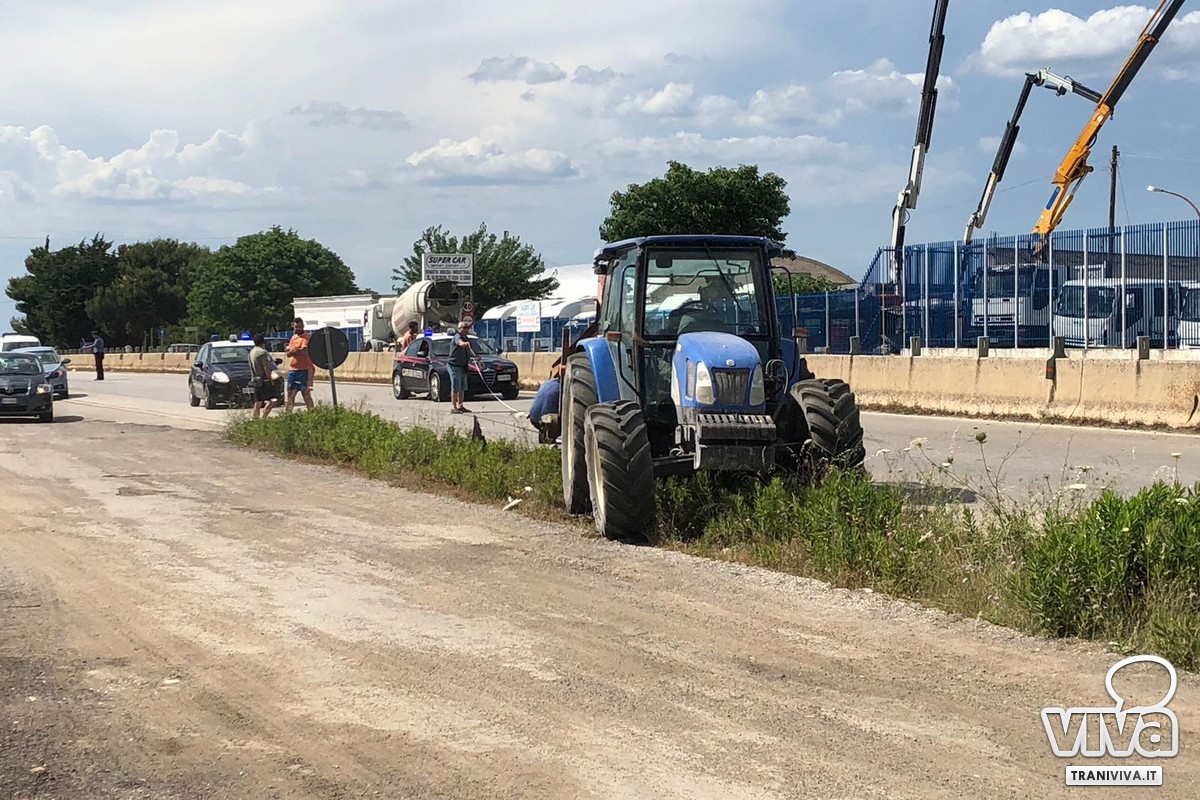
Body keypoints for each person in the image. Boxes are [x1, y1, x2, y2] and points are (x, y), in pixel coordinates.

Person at [285, 317, 315, 411]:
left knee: (305, 393)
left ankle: (311, 412)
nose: (297, 328)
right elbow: (288, 354)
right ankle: (288, 415)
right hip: (293, 370)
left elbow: (304, 351)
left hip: (304, 370)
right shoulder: (293, 338)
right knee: (290, 394)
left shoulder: (307, 337)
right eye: (296, 327)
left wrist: (293, 350)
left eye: (299, 326)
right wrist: (294, 350)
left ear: (303, 326)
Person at [248, 333, 280, 418]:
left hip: (255, 379)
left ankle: (255, 419)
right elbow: (266, 367)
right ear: (263, 341)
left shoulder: (252, 352)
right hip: (264, 380)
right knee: (273, 399)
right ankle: (264, 417)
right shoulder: (262, 352)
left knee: (258, 402)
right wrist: (271, 380)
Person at [528, 363, 564, 433]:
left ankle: (545, 435)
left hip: (533, 418)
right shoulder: (561, 389)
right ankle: (548, 435)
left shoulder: (547, 383)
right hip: (547, 420)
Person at [447, 319, 473, 414]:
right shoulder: (457, 337)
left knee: (462, 387)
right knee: (455, 386)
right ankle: (453, 407)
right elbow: (460, 343)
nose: (467, 329)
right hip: (454, 365)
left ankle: (460, 405)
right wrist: (464, 344)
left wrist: (476, 356)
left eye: (468, 327)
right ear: (459, 328)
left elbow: (469, 351)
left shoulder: (466, 338)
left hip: (463, 366)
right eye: (465, 327)